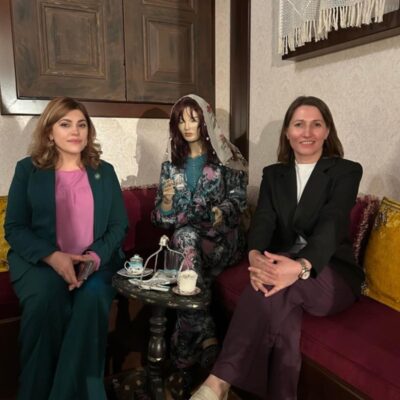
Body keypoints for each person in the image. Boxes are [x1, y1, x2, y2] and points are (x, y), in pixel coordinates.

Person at [191, 96, 364, 400]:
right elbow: (263, 220)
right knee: (281, 308)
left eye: (316, 124)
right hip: (281, 265)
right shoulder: (274, 174)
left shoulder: (346, 171)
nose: (307, 132)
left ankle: (219, 381)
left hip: (330, 272)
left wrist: (300, 267)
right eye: (299, 124)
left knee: (271, 283)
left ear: (327, 131)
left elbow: (334, 222)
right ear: (287, 131)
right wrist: (255, 256)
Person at [4, 97, 128, 400]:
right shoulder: (27, 170)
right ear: (50, 132)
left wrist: (94, 258)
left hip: (97, 262)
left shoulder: (104, 172)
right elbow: (15, 227)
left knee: (91, 300)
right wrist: (53, 257)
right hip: (40, 262)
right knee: (45, 299)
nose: (75, 131)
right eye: (65, 124)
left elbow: (118, 225)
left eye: (81, 124)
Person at [151, 94, 248, 397]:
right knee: (185, 242)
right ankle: (204, 344)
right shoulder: (171, 166)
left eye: (193, 118)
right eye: (181, 120)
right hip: (188, 246)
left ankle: (183, 364)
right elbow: (160, 219)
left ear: (205, 121)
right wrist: (167, 202)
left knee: (184, 245)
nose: (187, 126)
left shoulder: (226, 159)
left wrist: (220, 212)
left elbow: (239, 202)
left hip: (221, 242)